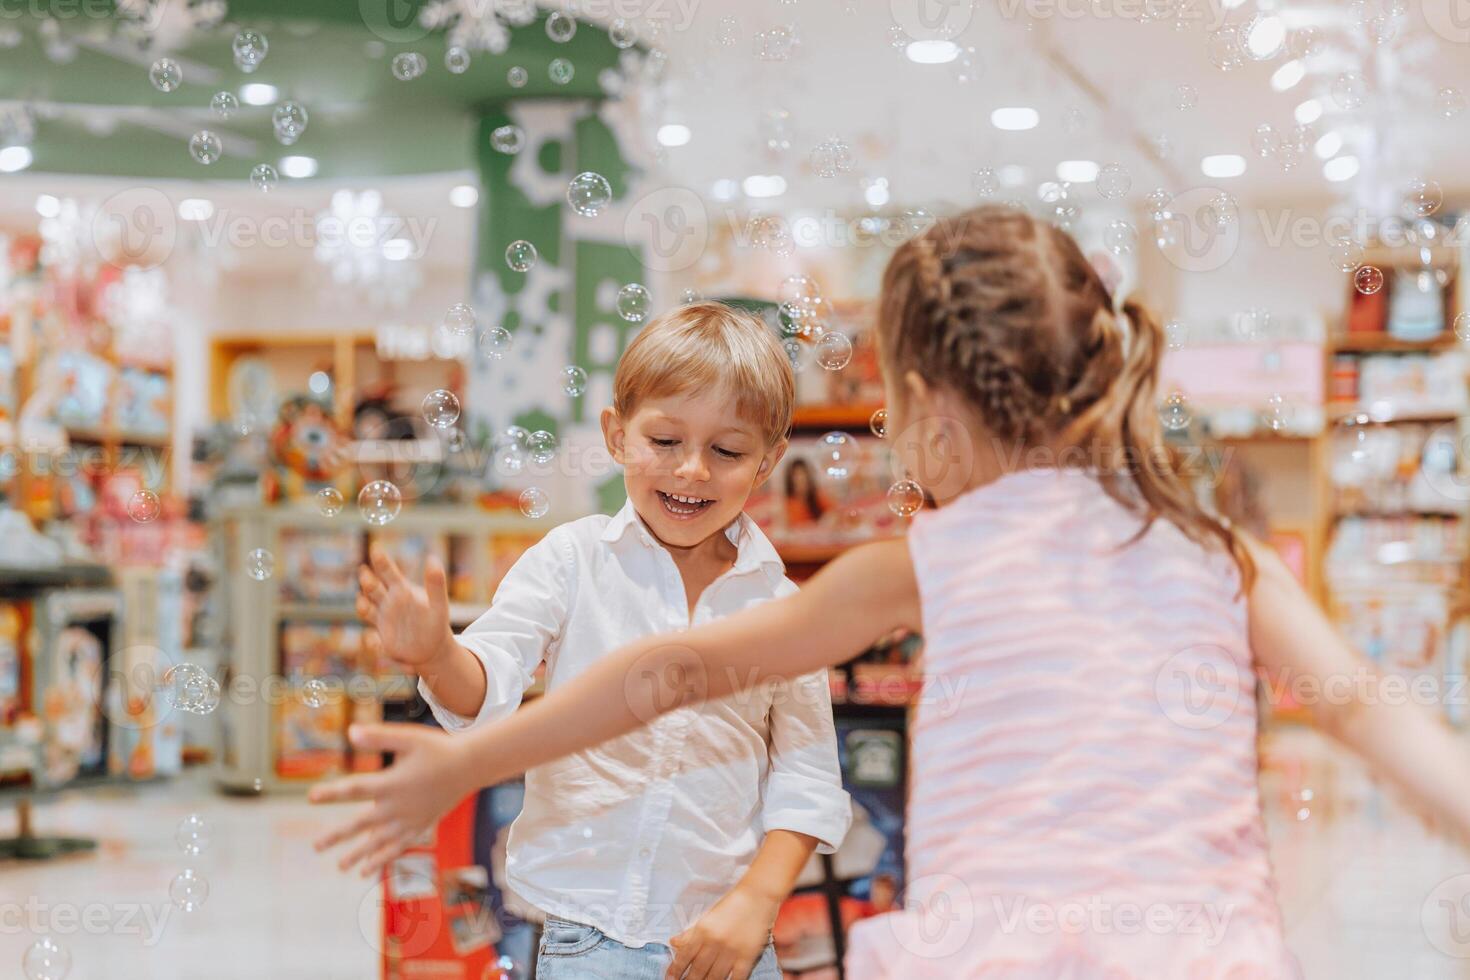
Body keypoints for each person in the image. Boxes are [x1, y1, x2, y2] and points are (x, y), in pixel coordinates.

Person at [314, 207, 1470, 977]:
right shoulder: (1219, 550)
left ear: (926, 403)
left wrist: (466, 761)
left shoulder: (925, 561)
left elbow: (668, 674)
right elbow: (1365, 705)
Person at [343, 301, 851, 980]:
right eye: (665, 442)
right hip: (587, 942)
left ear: (767, 461)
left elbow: (808, 777)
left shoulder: (784, 610)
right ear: (616, 436)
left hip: (726, 942)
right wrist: (437, 654)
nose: (693, 470)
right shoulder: (571, 561)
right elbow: (486, 685)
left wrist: (758, 901)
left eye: (726, 450)